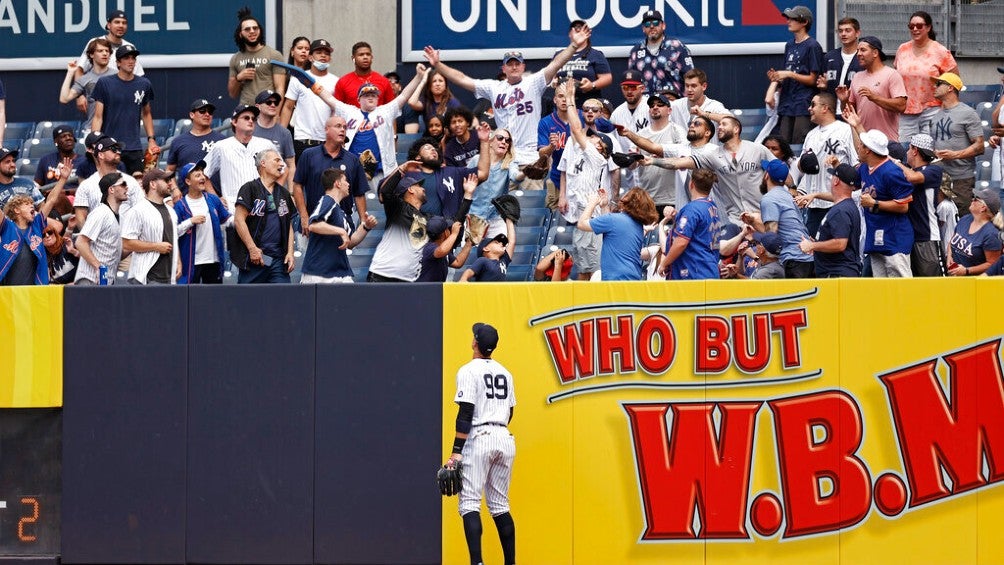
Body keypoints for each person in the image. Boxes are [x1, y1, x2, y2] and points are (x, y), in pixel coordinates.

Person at [423, 24, 591, 166]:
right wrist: (438, 64)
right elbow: (462, 79)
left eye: (517, 64)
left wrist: (574, 46)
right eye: (509, 64)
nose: (514, 67)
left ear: (523, 67)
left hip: (531, 156)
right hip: (504, 157)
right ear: (503, 69)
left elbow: (556, 64)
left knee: (531, 200)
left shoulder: (533, 82)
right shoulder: (494, 87)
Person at [445, 322, 517, 565]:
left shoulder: (468, 371)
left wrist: (456, 453)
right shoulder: (506, 372)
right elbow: (510, 412)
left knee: (469, 503)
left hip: (480, 437)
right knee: (499, 505)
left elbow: (465, 413)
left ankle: (477, 562)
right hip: (504, 437)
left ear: (475, 343)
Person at [315, 65, 431, 190]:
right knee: (354, 206)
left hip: (382, 171)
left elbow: (404, 95)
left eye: (374, 95)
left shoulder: (386, 110)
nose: (371, 97)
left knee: (381, 205)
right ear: (359, 99)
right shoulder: (349, 111)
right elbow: (329, 98)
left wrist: (418, 77)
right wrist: (310, 83)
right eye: (366, 95)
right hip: (353, 171)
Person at [645, 115, 775, 226]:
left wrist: (792, 189)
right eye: (719, 125)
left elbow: (780, 171)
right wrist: (652, 161)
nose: (720, 127)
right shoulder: (714, 155)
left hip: (762, 213)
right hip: (735, 220)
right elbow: (678, 163)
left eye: (724, 124)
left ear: (736, 129)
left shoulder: (757, 149)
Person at [367, 165, 473, 283]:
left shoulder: (427, 218)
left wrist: (468, 195)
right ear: (410, 190)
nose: (423, 189)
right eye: (418, 185)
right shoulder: (398, 209)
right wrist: (402, 169)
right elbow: (385, 192)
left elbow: (455, 224)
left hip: (405, 279)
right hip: (383, 275)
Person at [557, 80, 616, 280]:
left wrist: (571, 99)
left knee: (594, 272)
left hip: (593, 219)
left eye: (594, 138)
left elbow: (575, 129)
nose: (589, 137)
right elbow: (576, 134)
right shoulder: (586, 151)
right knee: (583, 269)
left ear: (601, 147)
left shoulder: (597, 156)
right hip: (583, 217)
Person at [791, 92, 857, 235]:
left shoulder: (845, 130)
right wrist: (802, 190)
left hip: (838, 203)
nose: (809, 108)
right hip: (814, 205)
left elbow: (856, 164)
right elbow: (804, 169)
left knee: (836, 248)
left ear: (825, 108)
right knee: (814, 251)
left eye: (813, 105)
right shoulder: (811, 135)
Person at [291, 115, 369, 236]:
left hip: (342, 223)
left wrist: (363, 222)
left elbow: (359, 193)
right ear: (326, 129)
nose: (342, 129)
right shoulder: (309, 155)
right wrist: (303, 216)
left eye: (344, 127)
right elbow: (297, 186)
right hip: (314, 221)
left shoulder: (352, 160)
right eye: (338, 126)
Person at [300, 168, 379, 284]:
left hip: (339, 272)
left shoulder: (341, 212)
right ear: (337, 183)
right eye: (345, 181)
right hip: (319, 273)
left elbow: (351, 242)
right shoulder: (327, 201)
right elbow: (313, 225)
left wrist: (366, 227)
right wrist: (341, 231)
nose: (348, 184)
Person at [0, 158, 70, 285]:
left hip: (35, 290)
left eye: (32, 203)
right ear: (16, 210)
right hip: (8, 291)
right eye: (27, 204)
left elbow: (50, 201)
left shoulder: (37, 224)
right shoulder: (6, 226)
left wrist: (63, 179)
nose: (32, 206)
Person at [856, 128, 915, 277]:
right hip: (875, 234)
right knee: (881, 289)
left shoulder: (891, 172)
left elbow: (904, 206)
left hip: (894, 237)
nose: (858, 147)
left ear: (868, 150)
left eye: (861, 145)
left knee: (900, 287)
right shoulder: (864, 168)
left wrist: (875, 203)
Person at [91, 45, 158, 175]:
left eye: (133, 58)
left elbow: (147, 113)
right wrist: (95, 142)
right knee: (112, 186)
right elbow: (98, 116)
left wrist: (151, 139)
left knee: (137, 185)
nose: (131, 61)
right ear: (118, 63)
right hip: (110, 147)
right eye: (126, 58)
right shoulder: (105, 83)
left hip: (134, 147)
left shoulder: (144, 84)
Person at [231, 149, 296, 284]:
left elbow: (288, 225)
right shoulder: (249, 188)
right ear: (263, 163)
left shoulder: (283, 193)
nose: (282, 164)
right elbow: (239, 220)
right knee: (248, 302)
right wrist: (252, 248)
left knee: (285, 301)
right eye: (277, 160)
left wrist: (290, 252)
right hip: (255, 259)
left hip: (278, 260)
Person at [743, 159, 815, 277]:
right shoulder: (786, 195)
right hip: (806, 256)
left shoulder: (769, 198)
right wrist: (753, 222)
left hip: (794, 258)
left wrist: (754, 224)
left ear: (766, 175)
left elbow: (771, 238)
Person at [834, 36, 907, 151]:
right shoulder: (857, 77)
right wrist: (844, 101)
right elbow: (849, 114)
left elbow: (901, 105)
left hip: (887, 142)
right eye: (857, 50)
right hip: (863, 142)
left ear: (875, 53)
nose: (858, 54)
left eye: (863, 50)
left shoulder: (891, 75)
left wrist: (874, 98)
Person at [895, 10, 958, 140]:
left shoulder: (940, 51)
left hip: (932, 109)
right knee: (904, 150)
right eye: (911, 26)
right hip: (906, 111)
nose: (915, 29)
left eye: (919, 26)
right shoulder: (902, 49)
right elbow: (896, 76)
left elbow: (954, 81)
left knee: (929, 151)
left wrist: (948, 108)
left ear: (928, 27)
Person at [619, 90, 685, 214]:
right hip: (647, 199)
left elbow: (683, 158)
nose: (655, 107)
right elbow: (632, 166)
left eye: (660, 105)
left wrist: (660, 154)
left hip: (673, 198)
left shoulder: (678, 131)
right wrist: (630, 160)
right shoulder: (641, 135)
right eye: (652, 106)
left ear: (669, 110)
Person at [202, 104, 276, 213]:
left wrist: (272, 192)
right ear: (234, 122)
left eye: (253, 119)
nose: (251, 121)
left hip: (263, 209)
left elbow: (283, 169)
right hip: (233, 210)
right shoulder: (221, 146)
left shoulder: (266, 144)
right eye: (246, 118)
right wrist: (216, 198)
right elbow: (203, 173)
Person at [767, 5, 824, 144]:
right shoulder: (789, 45)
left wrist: (789, 74)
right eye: (788, 18)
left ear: (804, 22)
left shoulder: (813, 46)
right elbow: (788, 73)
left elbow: (813, 79)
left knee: (800, 143)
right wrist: (777, 78)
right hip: (786, 103)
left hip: (803, 104)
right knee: (783, 145)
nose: (788, 21)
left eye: (793, 18)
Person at [577, 187, 659, 281]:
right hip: (634, 280)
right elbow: (611, 228)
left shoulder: (613, 220)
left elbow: (581, 224)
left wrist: (592, 203)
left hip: (615, 281)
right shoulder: (638, 226)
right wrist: (604, 206)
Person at [930, 72, 984, 211]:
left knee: (961, 218)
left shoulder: (968, 113)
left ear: (950, 88)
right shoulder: (936, 115)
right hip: (939, 177)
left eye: (939, 84)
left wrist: (955, 155)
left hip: (960, 178)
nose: (934, 86)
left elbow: (979, 146)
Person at [798, 163, 862, 277]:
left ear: (836, 181)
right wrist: (818, 243)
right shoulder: (847, 205)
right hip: (838, 274)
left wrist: (812, 246)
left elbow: (840, 243)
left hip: (838, 275)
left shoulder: (841, 210)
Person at [893, 134, 944, 276]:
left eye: (909, 149)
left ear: (915, 150)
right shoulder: (907, 170)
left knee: (933, 285)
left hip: (928, 237)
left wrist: (894, 162)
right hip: (909, 237)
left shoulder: (933, 170)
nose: (907, 153)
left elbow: (913, 177)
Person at [173, 162, 232, 284]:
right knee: (189, 300)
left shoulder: (213, 199)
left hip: (213, 261)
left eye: (203, 174)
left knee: (214, 300)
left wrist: (242, 219)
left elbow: (227, 220)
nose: (202, 177)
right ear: (188, 182)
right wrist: (190, 221)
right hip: (191, 262)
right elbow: (172, 233)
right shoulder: (180, 205)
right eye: (197, 175)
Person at [280, 38, 338, 161]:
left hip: (327, 140)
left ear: (330, 59)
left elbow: (338, 111)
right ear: (310, 57)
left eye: (327, 53)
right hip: (303, 140)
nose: (323, 55)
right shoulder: (298, 78)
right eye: (319, 52)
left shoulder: (336, 82)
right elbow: (288, 107)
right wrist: (281, 135)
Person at [658, 169, 721, 279]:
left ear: (691, 184)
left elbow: (681, 242)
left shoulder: (692, 210)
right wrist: (676, 217)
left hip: (693, 271)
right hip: (708, 268)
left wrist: (664, 263)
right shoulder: (712, 206)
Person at [121, 169, 179, 285]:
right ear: (153, 184)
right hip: (145, 277)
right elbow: (127, 243)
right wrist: (156, 246)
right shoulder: (137, 210)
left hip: (168, 277)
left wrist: (178, 262)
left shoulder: (171, 211)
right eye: (166, 180)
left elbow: (174, 238)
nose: (170, 183)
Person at [73, 135, 144, 227]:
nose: (118, 152)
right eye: (113, 149)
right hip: (99, 238)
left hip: (126, 237)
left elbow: (142, 210)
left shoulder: (130, 182)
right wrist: (89, 239)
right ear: (101, 155)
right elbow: (80, 217)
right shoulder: (87, 185)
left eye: (118, 149)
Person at [74, 172, 129, 285]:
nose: (126, 187)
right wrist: (99, 267)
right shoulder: (100, 212)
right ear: (111, 189)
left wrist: (136, 243)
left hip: (105, 282)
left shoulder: (120, 217)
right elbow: (80, 242)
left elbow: (115, 254)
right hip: (90, 280)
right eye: (123, 184)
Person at [626, 10, 694, 98]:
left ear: (663, 26)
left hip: (674, 104)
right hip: (646, 106)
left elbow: (691, 77)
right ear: (643, 28)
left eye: (655, 23)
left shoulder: (677, 47)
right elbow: (631, 82)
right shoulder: (635, 52)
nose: (651, 26)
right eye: (647, 24)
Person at [470, 128, 522, 238]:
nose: (504, 142)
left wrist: (527, 172)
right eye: (500, 138)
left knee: (501, 249)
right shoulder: (476, 160)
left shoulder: (509, 163)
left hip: (496, 218)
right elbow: (463, 183)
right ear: (490, 142)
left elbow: (516, 177)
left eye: (508, 140)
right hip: (473, 216)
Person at [165, 99, 226, 191]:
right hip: (187, 199)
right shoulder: (178, 141)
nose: (207, 114)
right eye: (202, 111)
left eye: (210, 111)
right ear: (192, 115)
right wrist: (174, 189)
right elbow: (169, 170)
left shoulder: (222, 140)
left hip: (216, 199)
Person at [227, 8, 285, 105]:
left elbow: (280, 88)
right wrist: (239, 78)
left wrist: (276, 115)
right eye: (247, 29)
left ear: (260, 31)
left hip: (267, 111)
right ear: (240, 34)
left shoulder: (274, 55)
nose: (252, 31)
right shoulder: (235, 58)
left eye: (255, 28)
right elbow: (232, 94)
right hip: (246, 112)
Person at [60, 38, 113, 132]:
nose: (105, 53)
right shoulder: (84, 79)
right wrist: (70, 73)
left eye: (107, 51)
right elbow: (64, 98)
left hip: (115, 130)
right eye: (100, 51)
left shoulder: (118, 76)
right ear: (91, 54)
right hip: (91, 130)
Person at [946, 187, 1002, 277]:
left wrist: (967, 271)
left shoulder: (991, 234)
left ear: (983, 208)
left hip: (975, 282)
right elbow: (953, 239)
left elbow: (993, 264)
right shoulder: (965, 219)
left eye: (976, 199)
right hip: (955, 277)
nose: (972, 199)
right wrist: (949, 256)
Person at [556, 20, 612, 106]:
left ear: (588, 33)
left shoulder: (595, 54)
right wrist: (553, 82)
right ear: (569, 34)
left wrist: (592, 85)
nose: (578, 30)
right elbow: (551, 75)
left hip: (587, 105)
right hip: (563, 104)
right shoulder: (560, 54)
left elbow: (607, 78)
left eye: (581, 28)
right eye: (575, 28)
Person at [610, 70, 650, 190]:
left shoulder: (651, 107)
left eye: (633, 87)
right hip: (628, 178)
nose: (629, 91)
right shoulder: (617, 114)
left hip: (651, 173)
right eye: (625, 87)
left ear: (642, 88)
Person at [73, 10, 144, 77]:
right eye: (117, 22)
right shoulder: (95, 42)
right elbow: (79, 69)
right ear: (109, 25)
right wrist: (80, 88)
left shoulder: (130, 47)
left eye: (124, 23)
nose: (121, 25)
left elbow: (139, 75)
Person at [817, 17, 862, 115]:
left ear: (857, 33)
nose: (843, 34)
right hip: (831, 112)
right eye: (840, 31)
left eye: (848, 30)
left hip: (855, 112)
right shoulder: (829, 57)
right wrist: (824, 86)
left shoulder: (862, 57)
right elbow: (822, 83)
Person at [254, 89, 296, 186]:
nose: (273, 105)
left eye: (276, 103)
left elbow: (291, 165)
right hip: (254, 186)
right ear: (258, 106)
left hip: (278, 187)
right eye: (268, 102)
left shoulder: (285, 133)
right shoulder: (250, 130)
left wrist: (291, 193)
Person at [418, 213, 475, 283]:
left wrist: (469, 242)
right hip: (423, 290)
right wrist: (454, 234)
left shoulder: (442, 249)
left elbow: (458, 263)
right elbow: (441, 251)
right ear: (445, 233)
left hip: (436, 289)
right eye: (449, 229)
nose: (450, 231)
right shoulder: (428, 247)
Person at [334, 42, 394, 108]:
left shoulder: (384, 81)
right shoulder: (343, 82)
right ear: (353, 58)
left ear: (372, 57)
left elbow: (391, 110)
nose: (365, 57)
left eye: (368, 54)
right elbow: (338, 110)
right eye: (361, 55)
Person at [669, 68, 728, 133]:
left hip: (708, 143)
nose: (689, 89)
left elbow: (732, 121)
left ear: (704, 86)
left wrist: (704, 114)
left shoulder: (714, 106)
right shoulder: (675, 105)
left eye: (693, 86)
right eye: (687, 86)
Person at [34, 126, 88, 190]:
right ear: (56, 141)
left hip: (75, 198)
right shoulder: (46, 160)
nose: (68, 138)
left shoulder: (85, 161)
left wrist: (65, 192)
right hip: (50, 197)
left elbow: (88, 188)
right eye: (63, 136)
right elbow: (38, 185)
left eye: (70, 135)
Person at [43, 216, 79, 285]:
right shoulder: (42, 257)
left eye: (50, 232)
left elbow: (86, 260)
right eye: (43, 235)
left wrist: (73, 251)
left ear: (55, 233)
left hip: (78, 288)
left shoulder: (68, 244)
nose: (47, 236)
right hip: (57, 292)